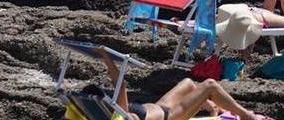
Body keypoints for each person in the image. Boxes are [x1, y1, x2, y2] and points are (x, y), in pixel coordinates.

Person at [95, 48, 268, 120]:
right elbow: (121, 85)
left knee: (188, 83)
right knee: (210, 84)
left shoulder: (111, 110)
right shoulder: (119, 115)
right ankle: (247, 116)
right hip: (172, 116)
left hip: (161, 106)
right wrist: (106, 57)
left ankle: (214, 109)